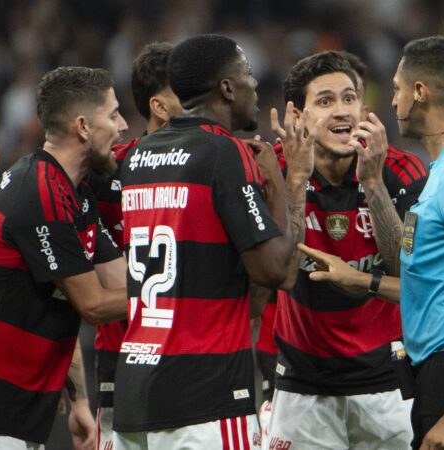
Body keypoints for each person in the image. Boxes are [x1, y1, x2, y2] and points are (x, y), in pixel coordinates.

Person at [299, 36, 444, 450]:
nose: (392, 102)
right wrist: (361, 281)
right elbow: (438, 286)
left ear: (420, 92)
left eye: (397, 89)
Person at [112, 34, 307, 450]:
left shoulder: (138, 157)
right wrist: (282, 183)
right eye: (248, 74)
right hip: (204, 395)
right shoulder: (224, 152)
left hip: (135, 389)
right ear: (226, 88)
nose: (256, 85)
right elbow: (275, 271)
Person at [0, 67, 130, 450]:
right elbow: (95, 304)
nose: (123, 125)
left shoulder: (76, 196)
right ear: (83, 126)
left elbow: (120, 283)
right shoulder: (39, 192)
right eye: (113, 114)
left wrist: (79, 397)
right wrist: (181, 296)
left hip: (11, 412)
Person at [264, 51, 428, 449]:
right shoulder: (272, 171)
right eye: (325, 101)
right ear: (297, 116)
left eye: (349, 98)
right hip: (302, 387)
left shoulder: (403, 172)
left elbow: (409, 275)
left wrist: (372, 184)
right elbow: (280, 272)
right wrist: (298, 179)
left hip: (388, 385)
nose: (342, 111)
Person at [89, 41, 182, 450]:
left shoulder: (220, 162)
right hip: (123, 355)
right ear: (159, 106)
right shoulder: (103, 174)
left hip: (191, 355)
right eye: (189, 92)